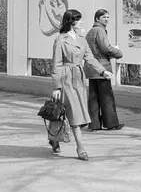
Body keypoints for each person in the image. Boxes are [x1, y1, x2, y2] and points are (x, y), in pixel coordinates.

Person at [51, 9, 112, 161]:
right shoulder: (60, 40)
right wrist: (57, 87)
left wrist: (103, 72)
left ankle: (54, 139)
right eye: (78, 20)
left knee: (68, 112)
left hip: (78, 78)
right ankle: (80, 147)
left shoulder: (82, 40)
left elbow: (90, 59)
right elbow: (56, 65)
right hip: (65, 78)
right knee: (73, 114)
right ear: (71, 22)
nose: (81, 23)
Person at [85, 9, 124, 132]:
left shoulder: (90, 32)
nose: (106, 19)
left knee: (93, 97)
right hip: (102, 67)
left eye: (108, 17)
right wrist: (118, 52)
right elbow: (105, 48)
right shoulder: (100, 31)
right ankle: (111, 123)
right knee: (106, 97)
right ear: (97, 18)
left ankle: (94, 124)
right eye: (104, 17)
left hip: (91, 68)